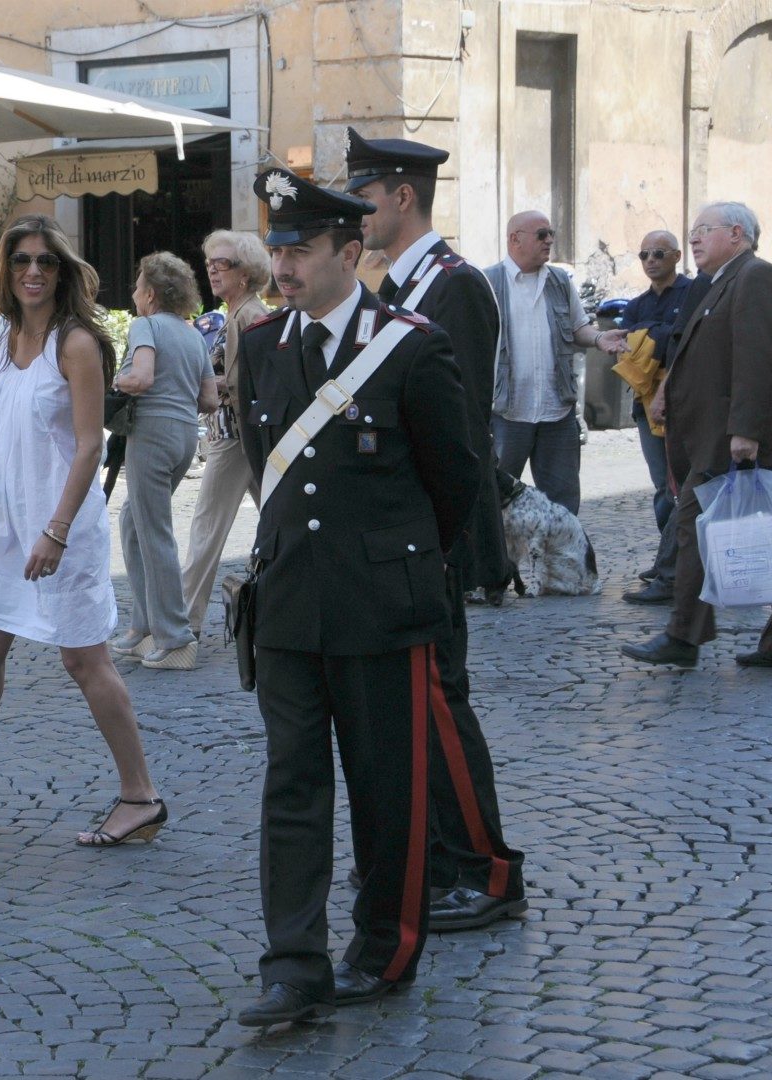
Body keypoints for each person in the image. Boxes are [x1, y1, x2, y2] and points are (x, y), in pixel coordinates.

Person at [232, 166, 479, 1029]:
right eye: (276, 249)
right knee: (291, 787)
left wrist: (400, 568)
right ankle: (292, 967)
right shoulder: (262, 345)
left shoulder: (411, 346)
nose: (284, 265)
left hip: (382, 608)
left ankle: (383, 950)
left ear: (348, 251)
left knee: (385, 792)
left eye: (299, 250)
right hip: (292, 607)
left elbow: (456, 485)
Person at [0, 213, 167, 849]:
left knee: (83, 659)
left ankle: (140, 796)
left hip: (62, 527)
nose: (34, 272)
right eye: (22, 261)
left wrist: (58, 530)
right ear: (7, 270)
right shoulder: (2, 334)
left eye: (45, 261)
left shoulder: (75, 344)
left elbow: (88, 446)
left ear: (62, 270)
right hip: (15, 527)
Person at [344, 129, 526, 934]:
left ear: (402, 196)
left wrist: (441, 541)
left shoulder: (453, 288)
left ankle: (487, 872)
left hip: (434, 536)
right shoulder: (398, 285)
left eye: (365, 200)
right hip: (397, 533)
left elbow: (459, 438)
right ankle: (437, 857)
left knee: (440, 703)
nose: (359, 216)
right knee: (415, 704)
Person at [622, 202, 772, 671]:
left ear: (736, 234)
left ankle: (683, 635)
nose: (693, 239)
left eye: (702, 230)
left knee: (693, 522)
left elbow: (758, 358)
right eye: (692, 231)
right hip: (719, 435)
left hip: (745, 438)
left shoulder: (756, 277)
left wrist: (745, 432)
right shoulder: (719, 282)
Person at [108, 252, 214, 671]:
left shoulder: (144, 325)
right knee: (133, 521)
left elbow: (142, 378)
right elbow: (208, 398)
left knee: (154, 532)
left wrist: (111, 379)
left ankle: (175, 637)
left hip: (151, 433)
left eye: (137, 286)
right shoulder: (192, 335)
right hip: (184, 436)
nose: (134, 294)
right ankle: (145, 626)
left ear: (150, 294)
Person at [481, 212, 614, 514]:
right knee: (496, 499)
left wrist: (599, 339)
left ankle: (561, 561)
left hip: (557, 412)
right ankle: (501, 562)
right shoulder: (486, 282)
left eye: (551, 233)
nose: (550, 241)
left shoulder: (560, 280)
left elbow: (579, 327)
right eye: (542, 235)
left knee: (563, 504)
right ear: (515, 238)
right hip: (506, 412)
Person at [178, 231, 272, 638]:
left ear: (246, 273)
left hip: (233, 436)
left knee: (205, 531)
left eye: (224, 263)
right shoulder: (237, 312)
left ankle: (181, 625)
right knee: (278, 522)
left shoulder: (246, 315)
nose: (213, 269)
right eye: (210, 262)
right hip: (239, 434)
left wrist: (189, 385)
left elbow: (236, 385)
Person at [605, 231, 694, 605]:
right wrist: (658, 336)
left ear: (676, 255)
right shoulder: (638, 303)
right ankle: (668, 559)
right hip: (646, 406)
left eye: (658, 253)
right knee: (663, 488)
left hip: (685, 405)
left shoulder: (692, 292)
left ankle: (683, 566)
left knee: (688, 486)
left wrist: (650, 337)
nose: (650, 260)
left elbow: (683, 340)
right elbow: (626, 345)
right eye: (644, 254)